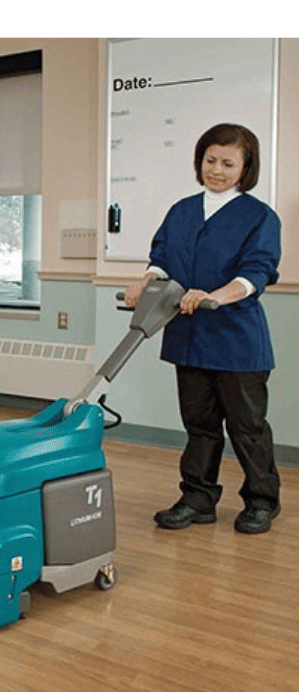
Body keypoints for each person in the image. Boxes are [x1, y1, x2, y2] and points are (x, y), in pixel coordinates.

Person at [124, 122, 281, 534]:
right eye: (210, 160)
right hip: (189, 337)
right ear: (199, 161)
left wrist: (214, 294)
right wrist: (145, 281)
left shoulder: (259, 216)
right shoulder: (181, 210)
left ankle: (262, 501)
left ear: (245, 168)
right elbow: (161, 258)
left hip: (237, 341)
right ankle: (197, 499)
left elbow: (257, 272)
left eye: (228, 163)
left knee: (247, 428)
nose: (217, 169)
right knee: (199, 425)